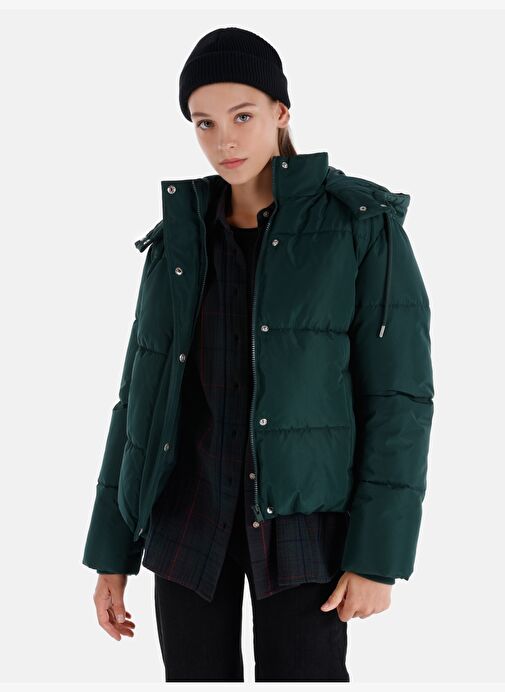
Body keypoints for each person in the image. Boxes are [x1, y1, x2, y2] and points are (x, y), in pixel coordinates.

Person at [82, 27, 434, 682]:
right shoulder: (177, 241)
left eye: (242, 116)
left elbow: (398, 401)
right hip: (187, 521)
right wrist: (112, 551)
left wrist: (377, 556)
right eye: (204, 123)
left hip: (304, 525)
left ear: (281, 112)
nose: (224, 140)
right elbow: (138, 401)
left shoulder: (361, 226)